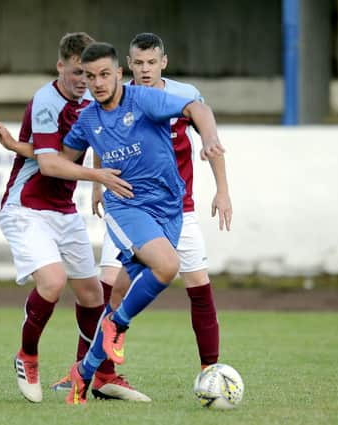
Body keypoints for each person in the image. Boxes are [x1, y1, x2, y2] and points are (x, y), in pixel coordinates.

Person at [30, 41, 227, 405]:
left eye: (105, 74)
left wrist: (210, 140)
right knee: (167, 266)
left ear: (119, 73)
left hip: (169, 207)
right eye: (90, 77)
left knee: (121, 288)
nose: (98, 82)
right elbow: (59, 160)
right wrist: (23, 148)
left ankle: (84, 373)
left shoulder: (142, 100)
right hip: (128, 207)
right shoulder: (88, 118)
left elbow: (197, 108)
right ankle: (117, 326)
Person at [0, 32, 149, 403]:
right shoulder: (46, 101)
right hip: (26, 207)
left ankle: (100, 374)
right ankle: (27, 356)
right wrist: (98, 177)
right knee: (54, 282)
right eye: (76, 73)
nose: (82, 81)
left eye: (88, 75)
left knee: (93, 297)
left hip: (63, 210)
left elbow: (90, 144)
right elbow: (50, 163)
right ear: (60, 67)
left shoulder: (93, 98)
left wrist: (98, 180)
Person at [90, 33, 231, 373]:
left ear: (163, 63)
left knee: (199, 285)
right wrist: (97, 183)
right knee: (110, 284)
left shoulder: (184, 97)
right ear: (129, 65)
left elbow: (210, 138)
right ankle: (96, 372)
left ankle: (209, 371)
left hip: (177, 210)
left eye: (152, 62)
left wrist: (222, 189)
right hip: (131, 210)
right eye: (138, 63)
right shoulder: (118, 98)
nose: (145, 69)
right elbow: (100, 135)